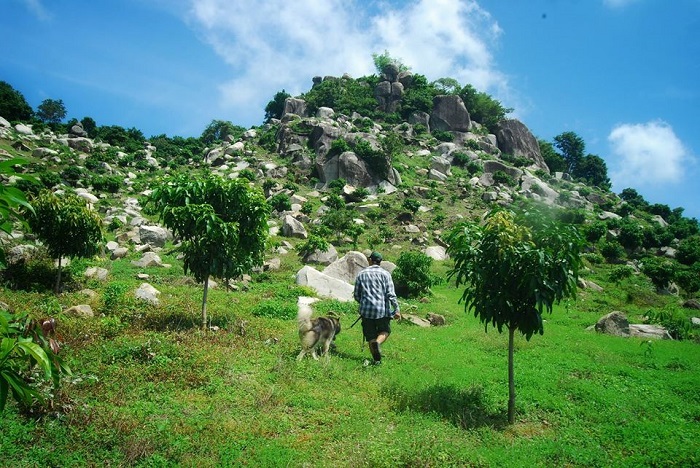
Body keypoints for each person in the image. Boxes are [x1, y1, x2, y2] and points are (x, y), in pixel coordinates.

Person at [353, 251, 401, 364]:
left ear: (370, 260)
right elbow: (391, 294)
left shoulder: (361, 274)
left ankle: (376, 359)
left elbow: (356, 294)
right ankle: (378, 344)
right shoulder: (386, 274)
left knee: (370, 336)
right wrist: (397, 309)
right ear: (380, 262)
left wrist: (363, 303)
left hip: (366, 312)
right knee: (385, 331)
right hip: (382, 311)